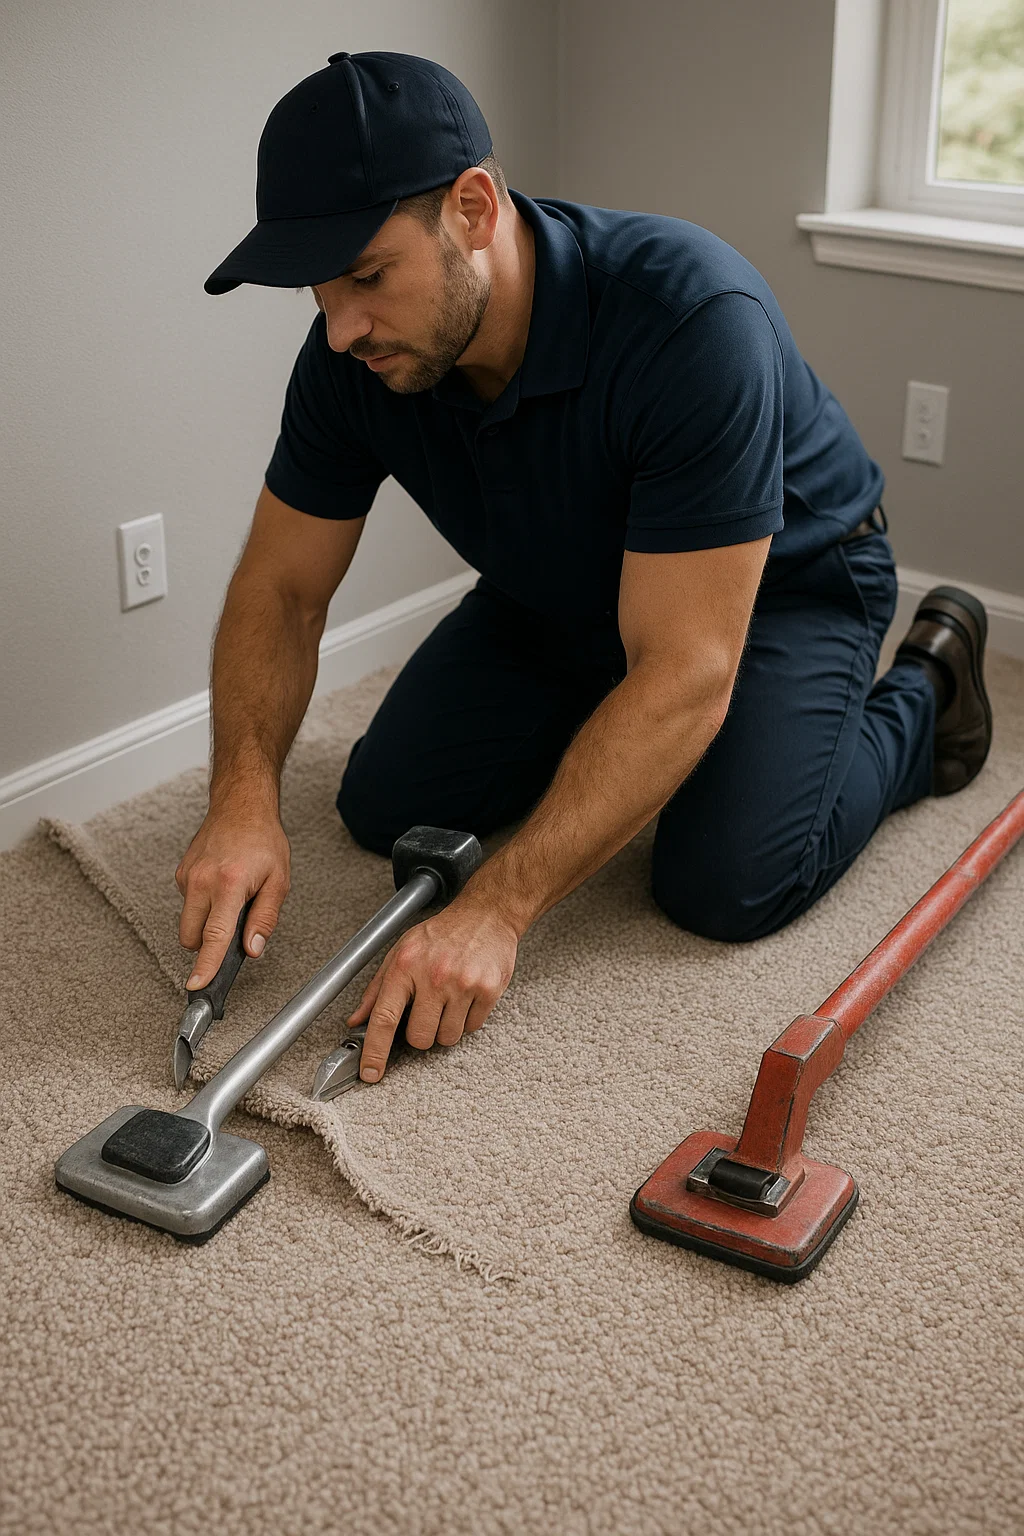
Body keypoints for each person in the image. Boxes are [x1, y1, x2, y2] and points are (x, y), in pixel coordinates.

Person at [178, 51, 993, 1083]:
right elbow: (282, 589)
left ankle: (927, 690)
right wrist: (241, 796)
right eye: (318, 291)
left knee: (725, 883)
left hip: (785, 586)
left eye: (369, 277)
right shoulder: (354, 358)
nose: (342, 330)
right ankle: (608, 721)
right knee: (387, 808)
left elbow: (689, 667)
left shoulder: (691, 320)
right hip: (557, 587)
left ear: (474, 209)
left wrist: (497, 909)